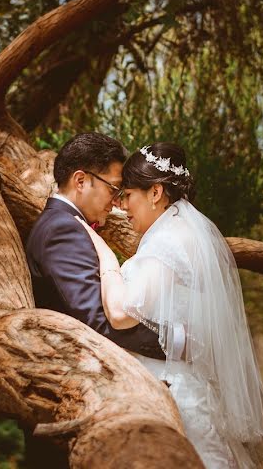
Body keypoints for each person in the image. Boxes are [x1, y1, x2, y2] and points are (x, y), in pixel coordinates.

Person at [76, 142, 263, 468]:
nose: (122, 206)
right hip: (185, 387)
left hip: (176, 397)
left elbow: (121, 315)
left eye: (128, 195)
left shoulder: (168, 240)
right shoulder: (184, 233)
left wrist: (106, 258)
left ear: (155, 193)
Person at [23, 133, 168, 466]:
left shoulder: (65, 224)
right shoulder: (62, 229)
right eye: (113, 189)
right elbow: (97, 322)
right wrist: (173, 341)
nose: (116, 202)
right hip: (68, 397)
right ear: (81, 181)